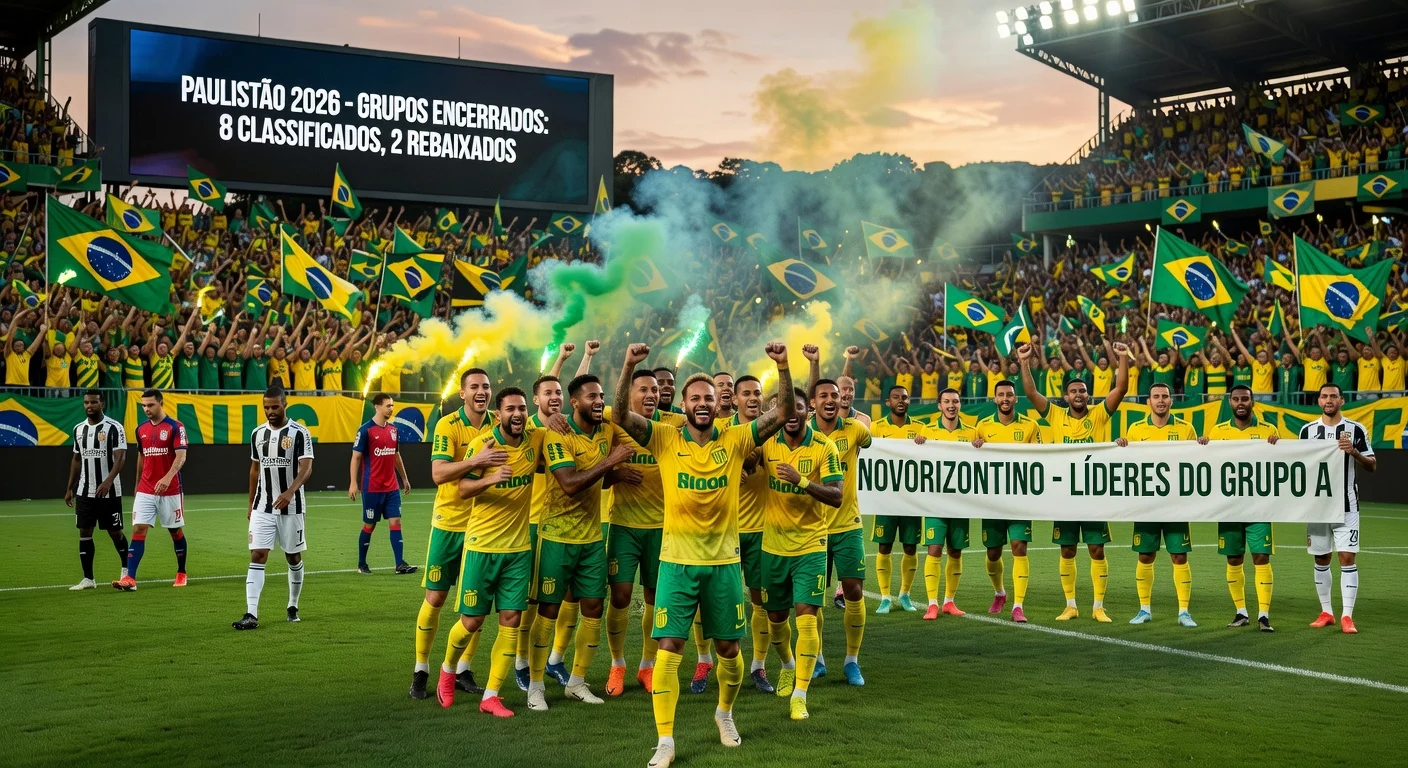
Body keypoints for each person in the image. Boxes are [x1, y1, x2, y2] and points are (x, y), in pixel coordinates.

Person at [612, 341, 794, 768]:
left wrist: (783, 367)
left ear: (718, 404)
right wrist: (627, 365)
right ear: (683, 403)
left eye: (708, 398)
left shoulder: (734, 440)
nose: (701, 404)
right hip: (676, 563)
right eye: (694, 398)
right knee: (669, 646)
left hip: (724, 565)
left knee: (730, 650)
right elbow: (619, 416)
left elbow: (783, 413)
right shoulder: (663, 438)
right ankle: (665, 740)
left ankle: (724, 714)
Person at [527, 373, 635, 710]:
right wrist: (611, 463)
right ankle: (535, 686)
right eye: (591, 396)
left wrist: (614, 474)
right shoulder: (558, 434)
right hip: (556, 536)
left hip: (591, 538)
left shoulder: (607, 430)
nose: (599, 401)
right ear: (574, 402)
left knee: (593, 608)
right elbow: (570, 483)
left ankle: (576, 681)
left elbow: (598, 482)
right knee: (548, 609)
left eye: (601, 395)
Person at [437, 388, 543, 717]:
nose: (517, 414)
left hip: (518, 550)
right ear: (499, 414)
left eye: (522, 408)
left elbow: (554, 407)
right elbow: (463, 489)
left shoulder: (535, 440)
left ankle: (491, 695)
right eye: (511, 408)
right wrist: (491, 476)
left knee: (511, 620)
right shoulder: (484, 445)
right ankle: (447, 669)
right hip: (482, 547)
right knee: (471, 621)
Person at [1017, 340, 1129, 622]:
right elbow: (1030, 392)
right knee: (1067, 549)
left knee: (1096, 549)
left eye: (1083, 391)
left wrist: (1124, 356)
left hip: (1093, 497)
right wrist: (1024, 362)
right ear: (1066, 397)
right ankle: (1071, 605)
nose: (1079, 395)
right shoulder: (1054, 414)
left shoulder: (1100, 415)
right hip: (1065, 496)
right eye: (1074, 391)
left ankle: (1098, 606)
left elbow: (1121, 389)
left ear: (1089, 396)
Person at [410, 368, 501, 700]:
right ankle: (421, 669)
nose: (481, 391)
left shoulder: (498, 423)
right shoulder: (447, 424)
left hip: (483, 526)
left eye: (486, 386)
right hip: (448, 522)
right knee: (435, 597)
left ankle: (462, 669)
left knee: (475, 605)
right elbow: (438, 473)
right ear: (462, 393)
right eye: (474, 386)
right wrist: (477, 459)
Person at [760, 386, 843, 721]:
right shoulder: (766, 442)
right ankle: (786, 665)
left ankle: (800, 695)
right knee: (776, 620)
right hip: (773, 546)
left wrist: (802, 481)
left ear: (807, 410)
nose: (791, 416)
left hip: (811, 544)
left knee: (806, 619)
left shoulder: (825, 447)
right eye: (784, 409)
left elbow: (836, 496)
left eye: (796, 408)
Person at [604, 370, 670, 698]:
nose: (650, 394)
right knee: (619, 597)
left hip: (661, 528)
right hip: (624, 527)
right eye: (643, 389)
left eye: (655, 389)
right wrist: (616, 472)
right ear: (629, 394)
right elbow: (577, 402)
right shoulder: (615, 422)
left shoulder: (672, 425)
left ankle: (648, 666)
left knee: (655, 600)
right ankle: (617, 664)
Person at [1117, 383, 1198, 628]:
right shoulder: (1136, 429)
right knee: (1145, 554)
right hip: (1147, 504)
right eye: (1156, 397)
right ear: (1148, 402)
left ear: (1171, 401)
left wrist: (1203, 446)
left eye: (1165, 396)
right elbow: (1127, 463)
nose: (1161, 400)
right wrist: (1121, 447)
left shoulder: (1186, 429)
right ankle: (1144, 609)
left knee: (1179, 555)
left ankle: (1184, 612)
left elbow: (1198, 462)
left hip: (1175, 504)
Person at [806, 377, 870, 685]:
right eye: (823, 395)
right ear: (814, 402)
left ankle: (851, 661)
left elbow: (871, 436)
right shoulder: (805, 433)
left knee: (854, 592)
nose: (830, 399)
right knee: (813, 598)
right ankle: (817, 658)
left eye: (835, 394)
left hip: (847, 525)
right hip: (813, 527)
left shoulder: (856, 430)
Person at [233, 387, 313, 630]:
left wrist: (290, 491)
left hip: (292, 507)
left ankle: (292, 604)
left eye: (275, 407)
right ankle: (251, 614)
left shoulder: (299, 433)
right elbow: (254, 469)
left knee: (293, 557)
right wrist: (250, 503)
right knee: (257, 555)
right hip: (262, 507)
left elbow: (307, 466)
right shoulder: (257, 433)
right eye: (266, 407)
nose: (270, 412)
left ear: (285, 404)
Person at [1299, 383, 1374, 634]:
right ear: (1318, 401)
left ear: (1342, 400)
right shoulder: (1307, 431)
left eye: (1333, 396)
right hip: (1318, 507)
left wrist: (1354, 452)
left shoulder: (1355, 429)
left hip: (1347, 506)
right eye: (1324, 396)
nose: (1328, 400)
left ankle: (1347, 616)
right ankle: (1326, 612)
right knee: (1321, 558)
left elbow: (1372, 465)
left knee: (1346, 557)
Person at [1206, 385, 1279, 632]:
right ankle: (1241, 612)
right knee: (1234, 558)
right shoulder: (1217, 431)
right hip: (1229, 507)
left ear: (1252, 402)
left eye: (1245, 399)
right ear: (1230, 402)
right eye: (1236, 399)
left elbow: (1280, 463)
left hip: (1259, 506)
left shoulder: (1269, 431)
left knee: (1261, 556)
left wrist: (1278, 446)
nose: (1240, 403)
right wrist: (1202, 446)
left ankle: (1264, 615)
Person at [972, 379, 1042, 623]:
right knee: (993, 553)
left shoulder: (1031, 426)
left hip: (1019, 499)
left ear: (1015, 399)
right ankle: (1000, 593)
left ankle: (1018, 606)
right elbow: (970, 461)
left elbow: (1040, 460)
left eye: (1009, 395)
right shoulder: (982, 426)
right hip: (992, 500)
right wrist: (975, 448)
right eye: (1001, 394)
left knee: (1019, 548)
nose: (1005, 398)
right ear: (995, 398)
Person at [115, 389, 189, 590]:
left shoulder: (176, 427)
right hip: (146, 489)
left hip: (170, 489)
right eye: (144, 406)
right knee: (138, 529)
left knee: (175, 531)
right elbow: (142, 456)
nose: (147, 409)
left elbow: (181, 456)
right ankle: (130, 578)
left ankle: (181, 572)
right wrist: (138, 483)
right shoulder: (140, 429)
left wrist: (167, 477)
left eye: (150, 405)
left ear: (161, 403)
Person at [729, 374, 776, 692]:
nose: (752, 398)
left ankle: (758, 666)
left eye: (757, 393)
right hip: (725, 532)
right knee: (717, 603)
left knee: (762, 602)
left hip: (762, 531)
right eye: (746, 393)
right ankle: (707, 662)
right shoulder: (722, 432)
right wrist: (733, 472)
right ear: (734, 399)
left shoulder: (772, 434)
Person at [913, 388, 975, 619]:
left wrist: (980, 447)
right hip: (934, 502)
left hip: (960, 502)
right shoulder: (926, 431)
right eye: (947, 401)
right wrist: (917, 445)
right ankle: (932, 603)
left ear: (960, 405)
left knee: (956, 551)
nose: (951, 405)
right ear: (939, 405)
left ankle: (949, 601)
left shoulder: (971, 432)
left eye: (956, 401)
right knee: (935, 549)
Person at [63, 390, 129, 590]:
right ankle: (88, 579)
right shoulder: (78, 429)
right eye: (86, 402)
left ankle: (126, 572)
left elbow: (121, 458)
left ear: (102, 403)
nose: (89, 406)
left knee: (115, 532)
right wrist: (70, 489)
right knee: (84, 532)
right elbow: (76, 459)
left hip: (109, 491)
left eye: (93, 402)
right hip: (85, 491)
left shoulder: (114, 428)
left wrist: (108, 481)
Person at [867, 385, 923, 614]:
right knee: (884, 546)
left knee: (910, 546)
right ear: (887, 402)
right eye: (896, 397)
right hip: (886, 499)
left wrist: (926, 444)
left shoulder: (920, 429)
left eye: (905, 397)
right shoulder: (877, 428)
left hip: (911, 499)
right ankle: (885, 597)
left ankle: (905, 594)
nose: (901, 400)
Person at [350, 393, 415, 574]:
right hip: (372, 488)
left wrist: (404, 478)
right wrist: (353, 483)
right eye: (388, 405)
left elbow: (396, 456)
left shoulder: (394, 430)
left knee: (396, 521)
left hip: (392, 487)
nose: (391, 409)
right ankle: (362, 564)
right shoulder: (365, 430)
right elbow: (356, 457)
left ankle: (400, 564)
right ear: (377, 407)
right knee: (370, 524)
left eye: (392, 406)